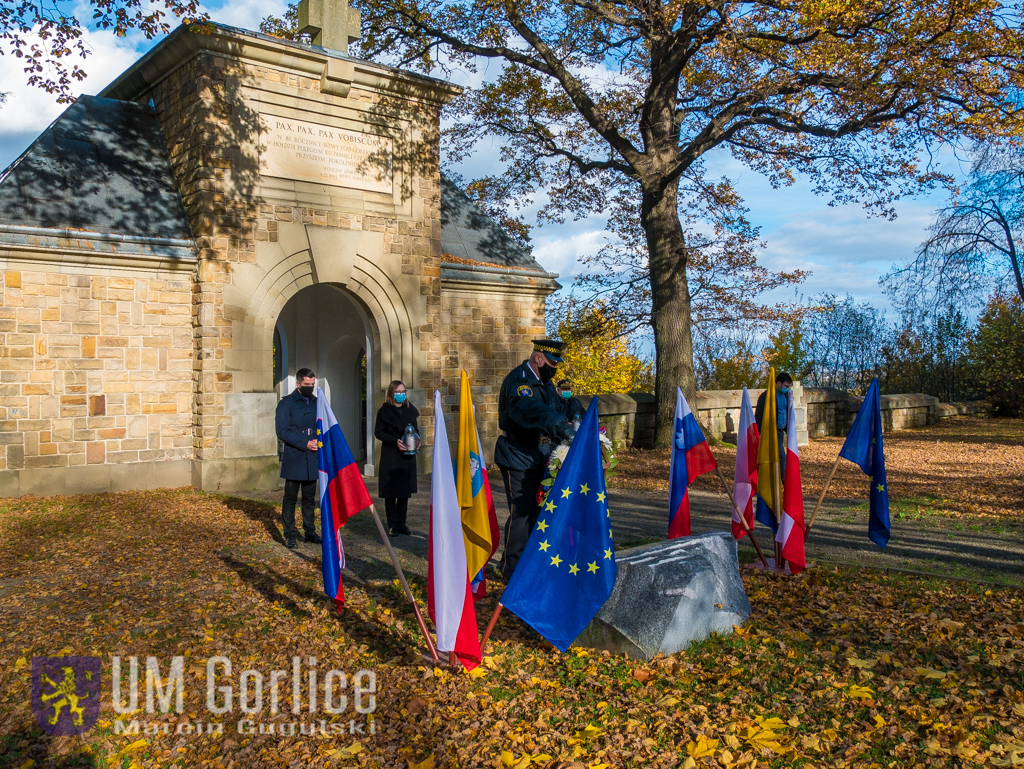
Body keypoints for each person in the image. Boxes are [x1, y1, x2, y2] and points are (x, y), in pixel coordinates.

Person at [495, 339, 574, 578]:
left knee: (540, 509)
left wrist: (573, 422)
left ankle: (531, 564)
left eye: (557, 364)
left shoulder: (546, 383)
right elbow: (532, 410)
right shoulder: (518, 382)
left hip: (540, 455)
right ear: (538, 358)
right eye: (551, 362)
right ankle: (512, 571)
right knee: (521, 512)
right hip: (517, 455)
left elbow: (557, 409)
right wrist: (560, 425)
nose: (555, 368)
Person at [275, 367, 322, 549]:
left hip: (312, 457)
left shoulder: (317, 403)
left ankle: (310, 531)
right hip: (295, 456)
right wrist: (304, 443)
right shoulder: (286, 404)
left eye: (312, 384)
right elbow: (282, 431)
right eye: (306, 384)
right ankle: (290, 534)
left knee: (309, 498)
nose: (310, 387)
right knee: (290, 498)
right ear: (298, 383)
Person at [373, 380, 420, 536]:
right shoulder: (384, 411)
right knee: (391, 492)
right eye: (398, 392)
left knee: (404, 493)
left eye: (403, 392)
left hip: (407, 457)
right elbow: (379, 432)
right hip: (391, 456)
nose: (401, 395)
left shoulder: (410, 410)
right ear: (392, 394)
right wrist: (395, 441)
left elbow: (416, 430)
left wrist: (417, 441)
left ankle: (402, 523)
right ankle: (392, 524)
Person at [755, 371, 794, 477]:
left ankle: (772, 479)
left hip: (781, 431)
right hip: (771, 432)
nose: (787, 388)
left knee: (773, 457)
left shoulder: (786, 395)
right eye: (786, 386)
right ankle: (784, 479)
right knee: (781, 456)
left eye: (788, 386)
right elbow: (759, 415)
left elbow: (786, 412)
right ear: (778, 383)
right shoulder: (766, 396)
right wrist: (758, 433)